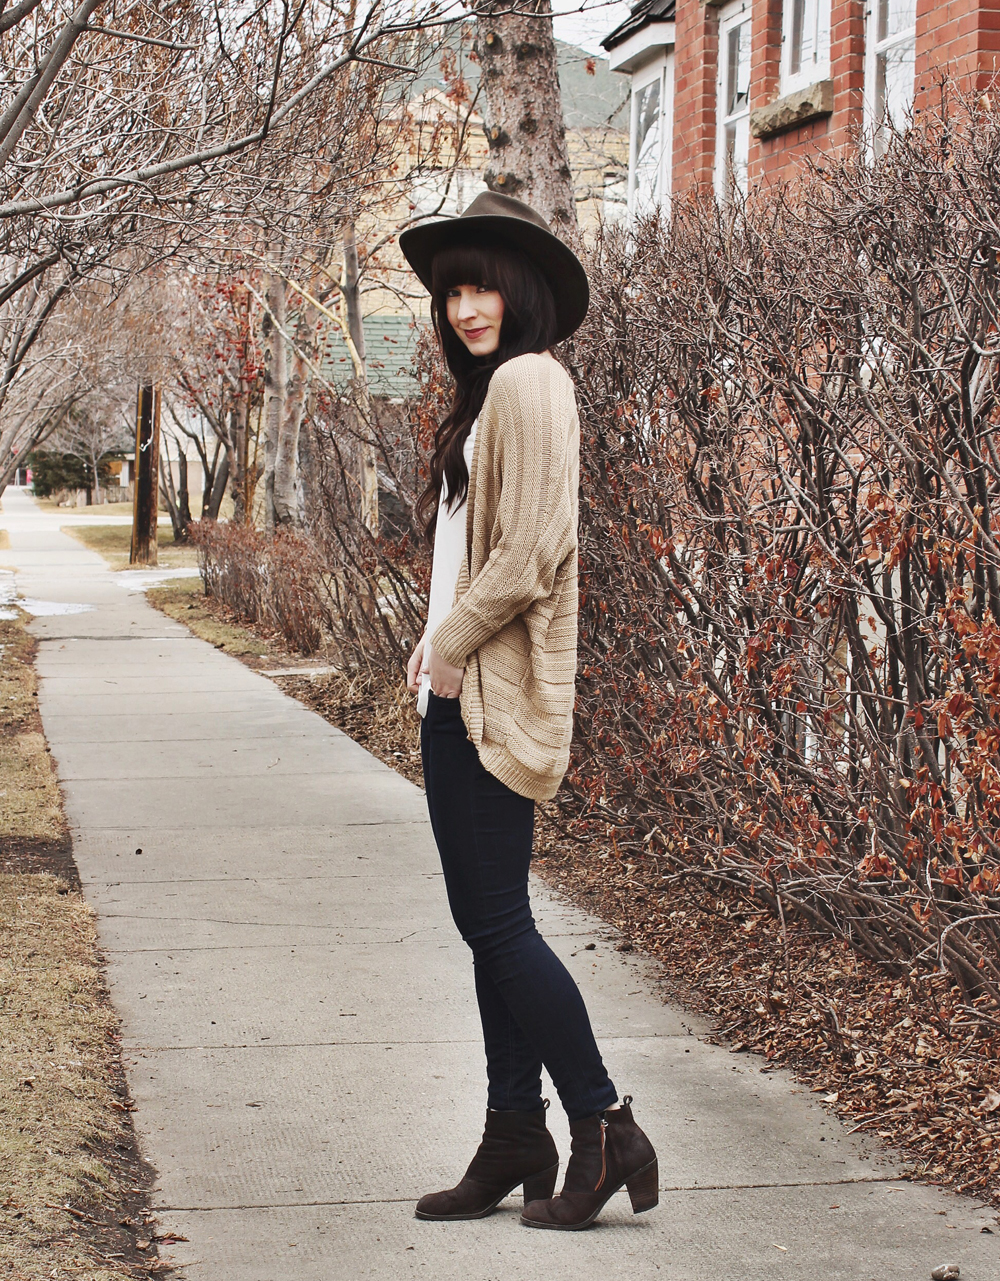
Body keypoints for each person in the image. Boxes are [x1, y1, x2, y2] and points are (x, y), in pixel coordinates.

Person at [399, 192, 658, 1231]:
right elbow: (475, 550)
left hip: (486, 697)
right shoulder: (488, 393)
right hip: (457, 690)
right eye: (450, 292)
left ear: (522, 291)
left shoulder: (531, 380)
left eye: (481, 287)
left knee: (500, 924)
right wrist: (435, 648)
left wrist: (452, 643)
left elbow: (532, 551)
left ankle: (604, 1123)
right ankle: (515, 1131)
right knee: (486, 925)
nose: (464, 308)